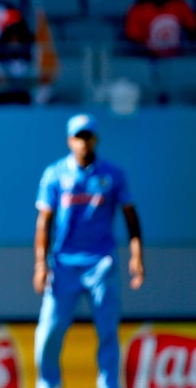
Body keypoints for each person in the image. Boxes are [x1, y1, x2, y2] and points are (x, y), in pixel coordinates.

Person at [33, 113, 145, 388]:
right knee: (49, 333)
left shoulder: (112, 175)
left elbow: (131, 217)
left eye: (88, 136)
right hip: (63, 265)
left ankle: (109, 385)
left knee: (108, 333)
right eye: (78, 137)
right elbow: (43, 223)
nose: (83, 143)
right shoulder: (55, 174)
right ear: (69, 140)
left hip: (102, 264)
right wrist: (40, 265)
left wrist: (137, 255)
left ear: (95, 139)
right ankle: (48, 384)